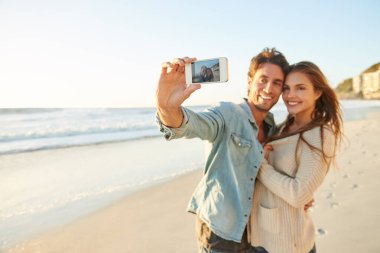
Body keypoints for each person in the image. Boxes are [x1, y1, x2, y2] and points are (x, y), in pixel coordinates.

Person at [156, 48, 289, 252]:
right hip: (218, 230)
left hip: (253, 229)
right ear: (249, 81)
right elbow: (195, 125)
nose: (269, 88)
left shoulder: (272, 125)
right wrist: (167, 108)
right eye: (263, 79)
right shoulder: (228, 113)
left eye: (277, 83)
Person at [249, 61, 343, 253]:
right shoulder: (285, 126)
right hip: (262, 236)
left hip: (287, 244)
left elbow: (298, 194)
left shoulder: (320, 135)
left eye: (300, 88)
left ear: (317, 92)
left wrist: (259, 164)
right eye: (286, 88)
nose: (290, 95)